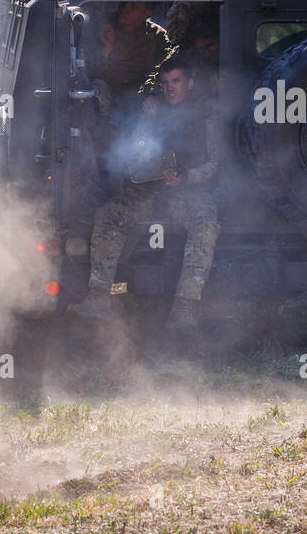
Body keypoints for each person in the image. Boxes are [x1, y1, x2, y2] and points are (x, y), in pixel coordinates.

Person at [74, 55, 221, 331]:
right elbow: (133, 156)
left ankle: (184, 309)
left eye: (175, 81)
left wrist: (187, 176)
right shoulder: (151, 108)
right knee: (108, 215)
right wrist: (146, 122)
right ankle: (97, 299)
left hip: (187, 192)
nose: (170, 88)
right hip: (149, 190)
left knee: (206, 224)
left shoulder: (205, 115)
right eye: (164, 83)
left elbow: (214, 165)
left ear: (189, 82)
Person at [93, 1, 169, 107]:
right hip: (108, 91)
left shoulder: (157, 36)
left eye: (133, 6)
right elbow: (90, 71)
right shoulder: (105, 29)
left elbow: (164, 69)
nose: (125, 9)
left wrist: (152, 93)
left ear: (148, 13)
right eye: (124, 4)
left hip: (141, 94)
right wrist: (106, 50)